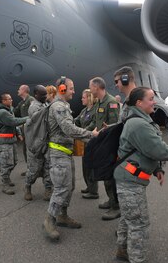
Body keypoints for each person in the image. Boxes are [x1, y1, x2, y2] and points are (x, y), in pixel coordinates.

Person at [114, 87, 168, 263]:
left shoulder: (141, 120)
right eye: (150, 99)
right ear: (139, 103)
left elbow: (146, 150)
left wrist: (158, 170)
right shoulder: (139, 124)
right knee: (139, 224)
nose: (155, 102)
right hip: (130, 181)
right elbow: (159, 150)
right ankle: (137, 258)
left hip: (130, 178)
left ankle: (123, 251)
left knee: (129, 218)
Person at [43, 77, 99, 241]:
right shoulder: (59, 107)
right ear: (61, 89)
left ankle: (62, 216)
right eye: (71, 88)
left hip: (65, 152)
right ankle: (49, 220)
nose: (74, 91)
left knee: (70, 186)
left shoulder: (63, 106)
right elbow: (68, 128)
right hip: (58, 153)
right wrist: (91, 135)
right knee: (62, 188)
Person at [89, 77, 121, 220]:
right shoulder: (99, 103)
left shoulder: (112, 102)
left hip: (110, 144)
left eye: (91, 87)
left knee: (110, 176)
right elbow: (97, 123)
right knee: (105, 174)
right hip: (101, 143)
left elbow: (114, 127)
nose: (90, 90)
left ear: (96, 87)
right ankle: (111, 200)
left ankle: (116, 207)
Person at [24, 85, 53, 201]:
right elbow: (37, 116)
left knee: (48, 168)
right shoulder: (34, 106)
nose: (46, 96)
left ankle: (48, 190)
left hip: (46, 142)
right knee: (34, 170)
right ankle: (27, 187)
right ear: (36, 95)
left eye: (46, 94)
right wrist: (51, 106)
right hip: (36, 144)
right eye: (43, 95)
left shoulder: (44, 104)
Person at [0, 93, 28, 195]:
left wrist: (18, 134)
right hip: (4, 143)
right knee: (6, 164)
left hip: (11, 140)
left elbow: (14, 126)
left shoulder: (9, 110)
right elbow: (14, 122)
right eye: (9, 99)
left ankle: (6, 178)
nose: (11, 100)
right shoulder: (2, 112)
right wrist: (29, 118)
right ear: (3, 101)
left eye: (11, 99)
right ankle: (5, 184)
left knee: (14, 162)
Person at [74, 89, 97, 199]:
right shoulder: (84, 111)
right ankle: (89, 186)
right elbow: (76, 121)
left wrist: (82, 132)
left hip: (92, 143)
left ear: (89, 98)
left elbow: (93, 124)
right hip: (84, 142)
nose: (81, 99)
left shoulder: (95, 110)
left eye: (83, 97)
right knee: (85, 167)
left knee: (91, 167)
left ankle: (93, 191)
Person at [14, 85, 35, 175]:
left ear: (24, 90)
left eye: (19, 89)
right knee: (25, 150)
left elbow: (35, 114)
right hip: (25, 130)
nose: (18, 90)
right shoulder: (22, 103)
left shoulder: (31, 100)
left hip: (31, 130)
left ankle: (35, 169)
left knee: (31, 150)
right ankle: (30, 169)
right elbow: (14, 111)